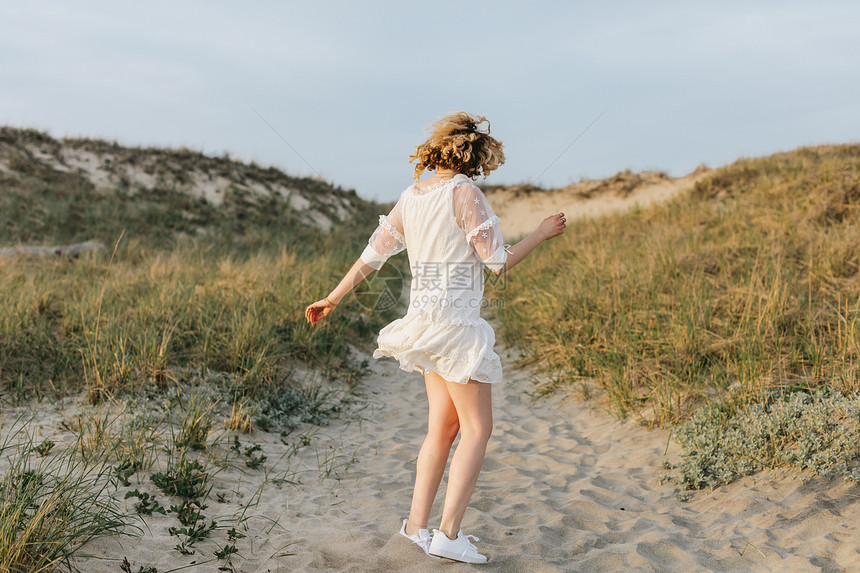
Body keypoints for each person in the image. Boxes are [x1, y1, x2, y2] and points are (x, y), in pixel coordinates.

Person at [305, 111, 566, 563]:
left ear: (439, 149)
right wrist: (541, 233)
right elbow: (498, 263)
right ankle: (447, 534)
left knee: (442, 429)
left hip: (425, 326)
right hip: (456, 328)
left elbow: (373, 256)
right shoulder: (465, 193)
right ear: (474, 157)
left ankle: (414, 528)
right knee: (479, 428)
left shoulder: (412, 195)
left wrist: (332, 298)